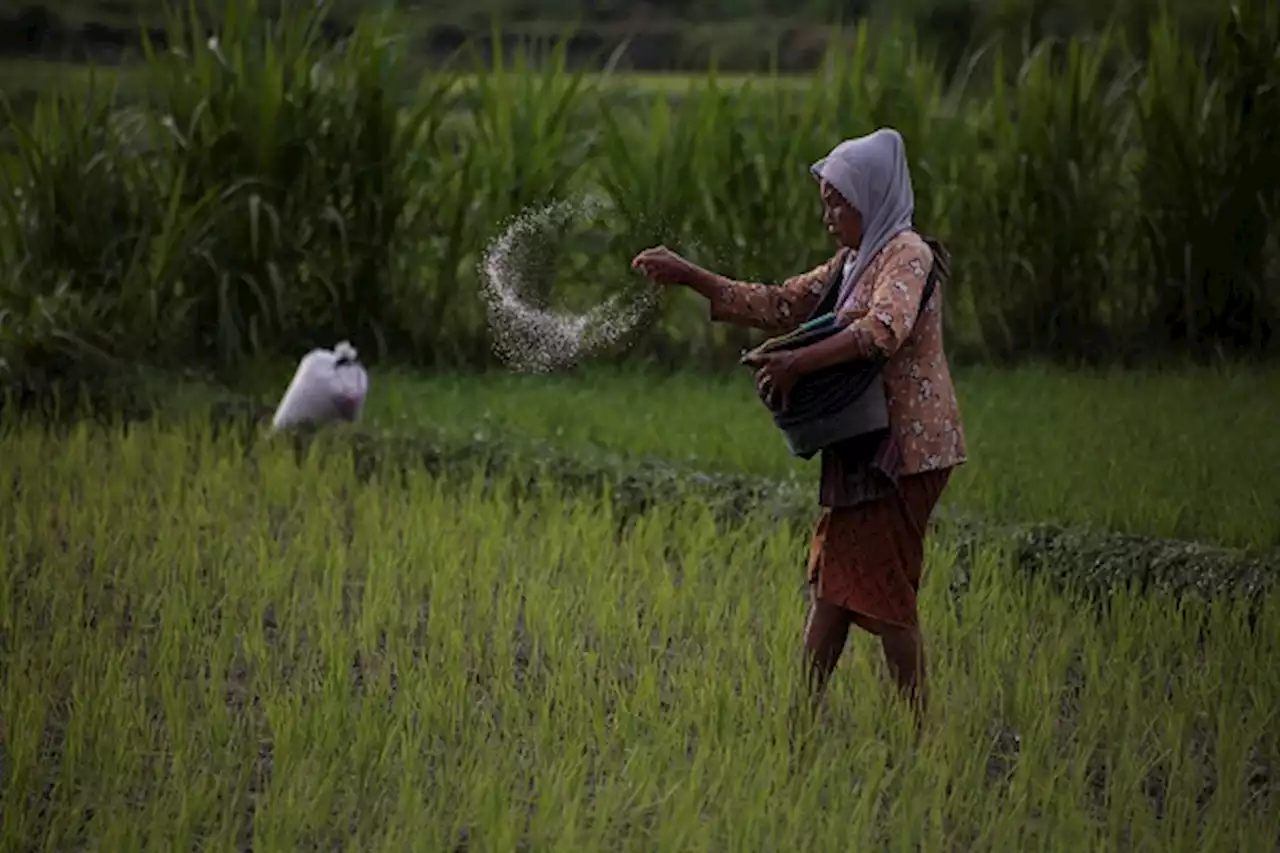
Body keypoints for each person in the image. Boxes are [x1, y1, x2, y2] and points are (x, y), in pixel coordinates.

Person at [630, 128, 966, 724]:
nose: (829, 215)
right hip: (861, 442)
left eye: (839, 201)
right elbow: (782, 304)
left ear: (874, 196)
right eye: (826, 201)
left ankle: (919, 730)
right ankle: (799, 724)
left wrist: (798, 362)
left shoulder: (906, 255)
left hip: (903, 452)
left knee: (884, 592)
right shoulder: (853, 264)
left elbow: (883, 328)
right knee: (836, 583)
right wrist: (691, 276)